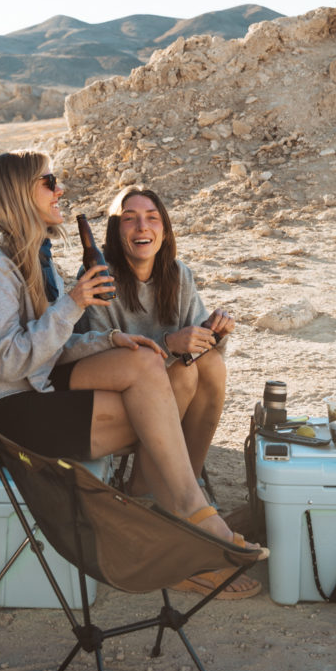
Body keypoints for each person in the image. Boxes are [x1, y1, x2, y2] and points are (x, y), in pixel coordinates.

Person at [0, 150, 267, 571]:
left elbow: (54, 348)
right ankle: (186, 519)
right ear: (19, 193)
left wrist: (109, 340)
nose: (61, 189)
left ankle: (176, 512)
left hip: (34, 388)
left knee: (146, 364)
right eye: (49, 182)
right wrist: (73, 303)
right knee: (160, 415)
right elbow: (7, 361)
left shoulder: (36, 258)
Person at [79, 184, 261, 599]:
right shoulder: (100, 278)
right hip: (121, 401)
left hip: (167, 404)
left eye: (152, 217)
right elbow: (97, 354)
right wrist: (170, 343)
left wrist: (213, 333)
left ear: (164, 229)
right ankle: (164, 503)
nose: (142, 226)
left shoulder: (177, 275)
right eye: (130, 218)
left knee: (210, 364)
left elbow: (197, 349)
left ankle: (179, 499)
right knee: (179, 374)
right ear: (114, 230)